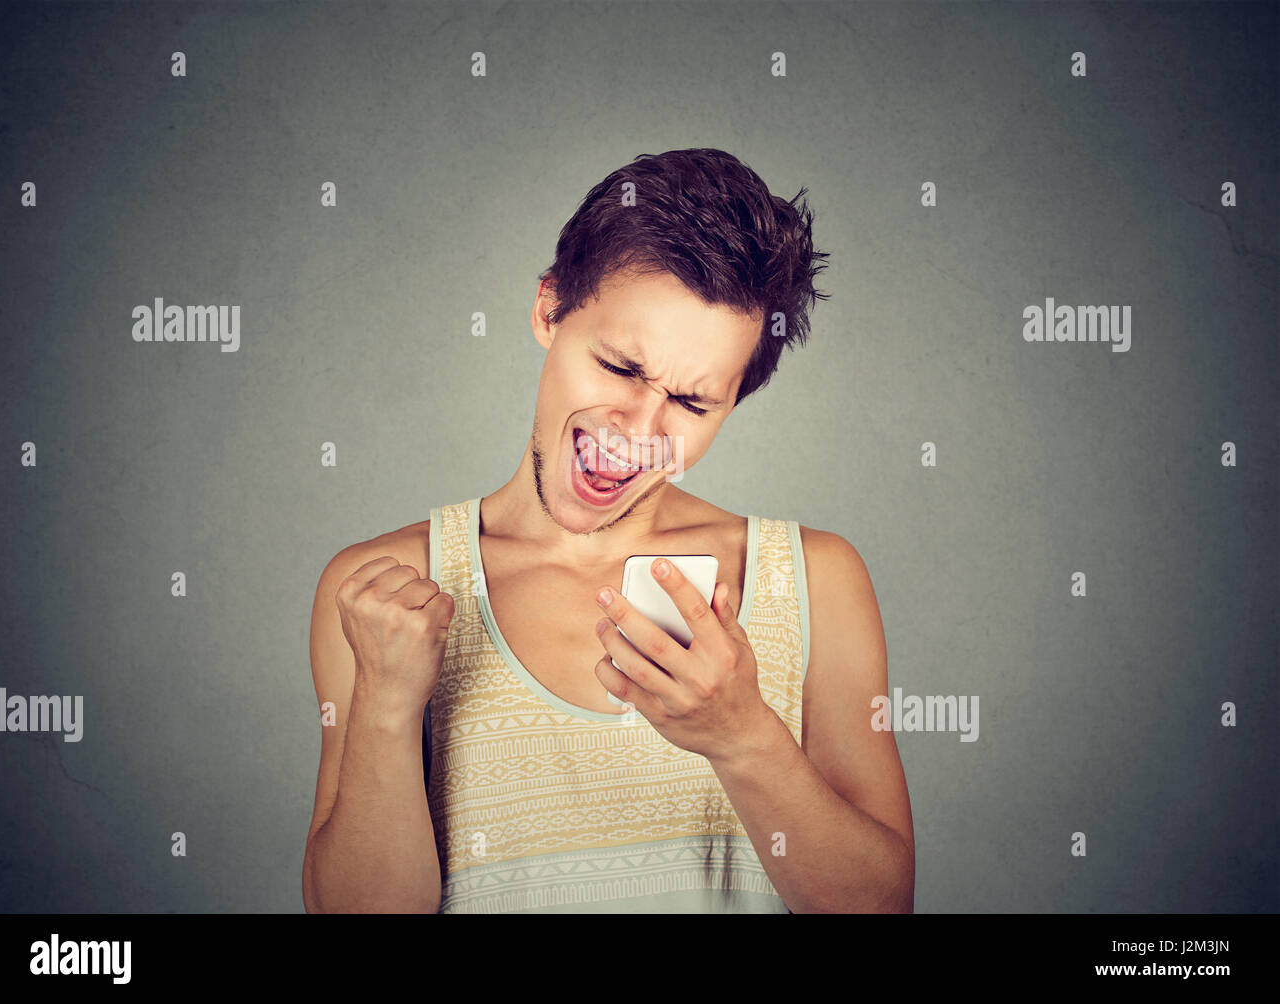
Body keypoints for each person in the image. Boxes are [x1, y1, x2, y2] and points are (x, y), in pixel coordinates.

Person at [301, 148, 915, 913]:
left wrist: (742, 735)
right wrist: (388, 709)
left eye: (692, 405)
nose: (644, 429)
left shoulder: (816, 579)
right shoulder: (381, 592)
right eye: (622, 367)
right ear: (549, 310)